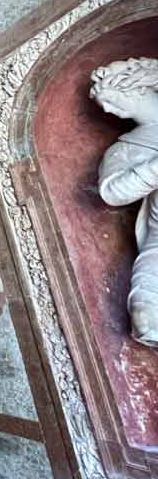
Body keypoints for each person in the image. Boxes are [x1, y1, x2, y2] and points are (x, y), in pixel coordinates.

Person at [91, 58, 158, 346]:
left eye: (114, 101)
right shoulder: (125, 149)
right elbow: (112, 193)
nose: (109, 109)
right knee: (144, 313)